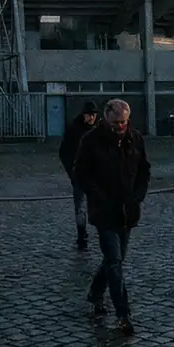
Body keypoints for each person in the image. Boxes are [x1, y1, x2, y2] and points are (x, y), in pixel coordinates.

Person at [74, 99, 149, 339]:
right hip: (104, 211)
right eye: (117, 122)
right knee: (115, 261)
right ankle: (123, 314)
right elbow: (81, 173)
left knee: (115, 259)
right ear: (106, 118)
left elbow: (144, 170)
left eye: (124, 122)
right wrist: (99, 195)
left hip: (127, 211)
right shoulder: (91, 141)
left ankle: (95, 293)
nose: (121, 126)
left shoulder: (135, 138)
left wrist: (138, 196)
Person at [59, 101, 101, 251]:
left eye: (94, 115)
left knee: (96, 206)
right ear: (84, 115)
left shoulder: (96, 130)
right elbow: (64, 153)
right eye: (90, 115)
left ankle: (98, 232)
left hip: (95, 177)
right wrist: (72, 172)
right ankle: (82, 234)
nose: (92, 118)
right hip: (79, 176)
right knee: (80, 207)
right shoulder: (74, 130)